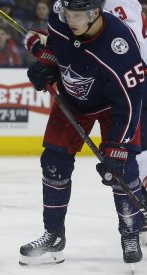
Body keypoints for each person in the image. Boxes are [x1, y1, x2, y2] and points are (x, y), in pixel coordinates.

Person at [20, 0, 145, 266]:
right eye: (69, 14)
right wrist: (47, 65)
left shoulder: (120, 46)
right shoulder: (59, 16)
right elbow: (56, 47)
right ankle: (53, 236)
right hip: (72, 102)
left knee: (124, 170)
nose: (71, 20)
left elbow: (131, 103)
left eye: (78, 15)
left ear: (96, 13)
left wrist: (117, 148)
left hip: (114, 109)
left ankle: (130, 234)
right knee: (53, 163)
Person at [103, 0, 147, 246]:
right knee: (137, 150)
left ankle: (141, 208)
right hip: (133, 77)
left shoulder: (118, 3)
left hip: (133, 78)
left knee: (136, 150)